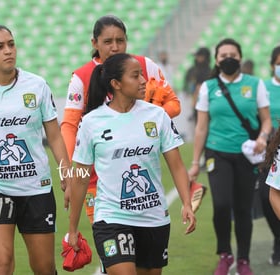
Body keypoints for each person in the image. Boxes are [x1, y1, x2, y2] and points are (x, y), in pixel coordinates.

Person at [0, 24, 70, 275]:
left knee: (44, 267)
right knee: (2, 263)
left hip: (36, 188)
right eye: (0, 47)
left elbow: (54, 135)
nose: (8, 51)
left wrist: (66, 173)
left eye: (11, 44)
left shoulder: (37, 85)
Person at [67, 53, 196, 275]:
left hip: (154, 218)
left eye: (142, 75)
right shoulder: (91, 122)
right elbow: (80, 177)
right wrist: (73, 228)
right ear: (116, 84)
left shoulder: (157, 116)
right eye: (135, 76)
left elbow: (176, 164)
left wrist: (186, 202)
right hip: (111, 217)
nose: (143, 81)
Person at [188, 38, 272, 275]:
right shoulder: (208, 87)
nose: (228, 58)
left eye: (232, 54)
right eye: (223, 55)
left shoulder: (255, 85)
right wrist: (195, 162)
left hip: (247, 155)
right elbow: (201, 127)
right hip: (217, 153)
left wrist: (263, 137)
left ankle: (243, 260)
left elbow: (265, 120)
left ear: (240, 57)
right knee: (222, 205)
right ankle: (225, 254)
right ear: (216, 60)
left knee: (243, 209)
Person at [258, 45, 280, 266]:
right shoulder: (262, 88)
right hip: (269, 151)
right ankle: (278, 238)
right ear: (272, 65)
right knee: (267, 196)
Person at [183, 47, 212, 122]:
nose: (197, 58)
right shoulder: (191, 70)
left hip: (205, 106)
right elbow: (186, 86)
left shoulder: (210, 72)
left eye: (199, 56)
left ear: (205, 57)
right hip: (191, 104)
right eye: (197, 56)